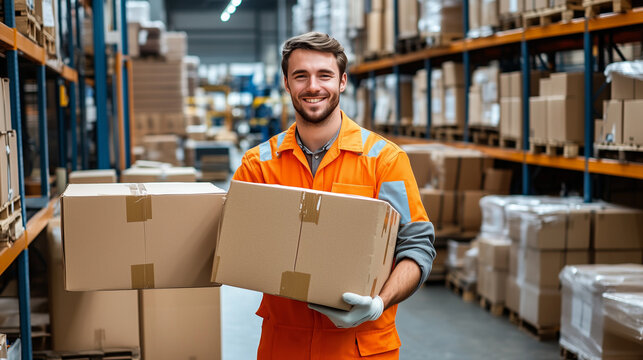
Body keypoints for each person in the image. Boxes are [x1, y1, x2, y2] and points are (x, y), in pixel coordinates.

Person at [233, 32, 436, 359]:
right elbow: (236, 247)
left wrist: (378, 303)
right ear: (286, 83)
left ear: (342, 82)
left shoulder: (384, 161)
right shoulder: (258, 166)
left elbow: (416, 246)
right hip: (284, 346)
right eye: (301, 76)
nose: (313, 86)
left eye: (324, 75)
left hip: (361, 347)